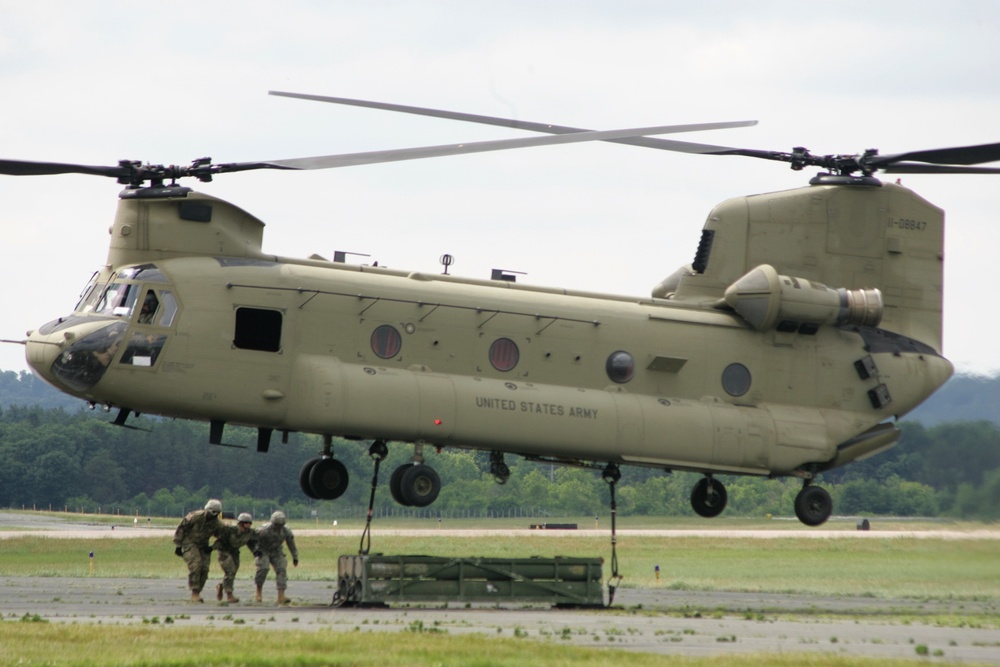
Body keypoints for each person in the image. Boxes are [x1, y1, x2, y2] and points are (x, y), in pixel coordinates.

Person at [173, 498, 224, 603]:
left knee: (204, 569)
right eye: (212, 512)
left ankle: (198, 592)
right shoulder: (195, 517)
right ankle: (194, 593)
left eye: (217, 513)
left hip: (204, 545)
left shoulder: (217, 524)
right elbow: (182, 527)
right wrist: (178, 545)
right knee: (196, 565)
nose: (214, 515)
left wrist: (212, 547)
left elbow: (223, 538)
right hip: (189, 543)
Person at [250, 510, 299, 605]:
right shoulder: (263, 530)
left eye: (281, 525)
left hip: (277, 551)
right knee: (263, 568)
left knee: (282, 569)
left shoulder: (286, 531)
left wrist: (295, 557)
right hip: (263, 550)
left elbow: (291, 544)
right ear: (272, 523)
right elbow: (252, 539)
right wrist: (256, 551)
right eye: (276, 525)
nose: (278, 527)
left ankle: (281, 596)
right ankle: (258, 592)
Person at [212, 512, 256, 604]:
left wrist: (256, 551)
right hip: (224, 551)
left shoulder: (250, 533)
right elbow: (218, 536)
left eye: (249, 523)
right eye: (246, 522)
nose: (248, 524)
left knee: (233, 573)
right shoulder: (230, 529)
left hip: (235, 552)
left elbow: (251, 543)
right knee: (230, 571)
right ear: (241, 523)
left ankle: (221, 585)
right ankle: (229, 595)